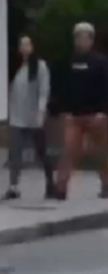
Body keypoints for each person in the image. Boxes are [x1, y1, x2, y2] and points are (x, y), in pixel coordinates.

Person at [52, 22, 108, 200]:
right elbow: (61, 87)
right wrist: (63, 110)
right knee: (68, 151)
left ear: (91, 40)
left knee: (103, 152)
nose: (82, 41)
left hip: (96, 116)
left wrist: (103, 112)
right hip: (74, 116)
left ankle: (106, 184)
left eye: (85, 37)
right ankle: (61, 188)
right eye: (78, 37)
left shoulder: (100, 62)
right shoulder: (68, 62)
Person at [5, 35, 53, 201]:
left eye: (27, 44)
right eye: (21, 44)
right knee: (15, 152)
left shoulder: (40, 66)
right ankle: (13, 186)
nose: (24, 48)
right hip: (17, 117)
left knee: (41, 151)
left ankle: (50, 183)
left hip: (34, 117)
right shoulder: (18, 67)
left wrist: (41, 112)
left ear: (33, 47)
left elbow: (43, 91)